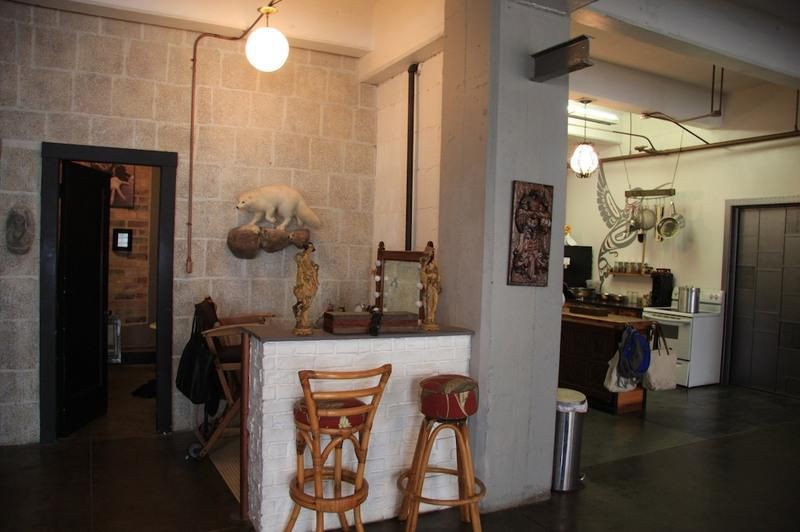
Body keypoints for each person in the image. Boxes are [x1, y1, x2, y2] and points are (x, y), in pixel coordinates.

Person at [419, 242, 441, 331]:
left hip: (433, 286)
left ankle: (432, 318)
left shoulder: (434, 263)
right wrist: (429, 277)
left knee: (434, 302)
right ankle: (428, 318)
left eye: (432, 252)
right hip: (428, 286)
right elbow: (422, 274)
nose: (431, 253)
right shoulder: (424, 263)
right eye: (430, 251)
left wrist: (436, 279)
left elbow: (438, 274)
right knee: (428, 302)